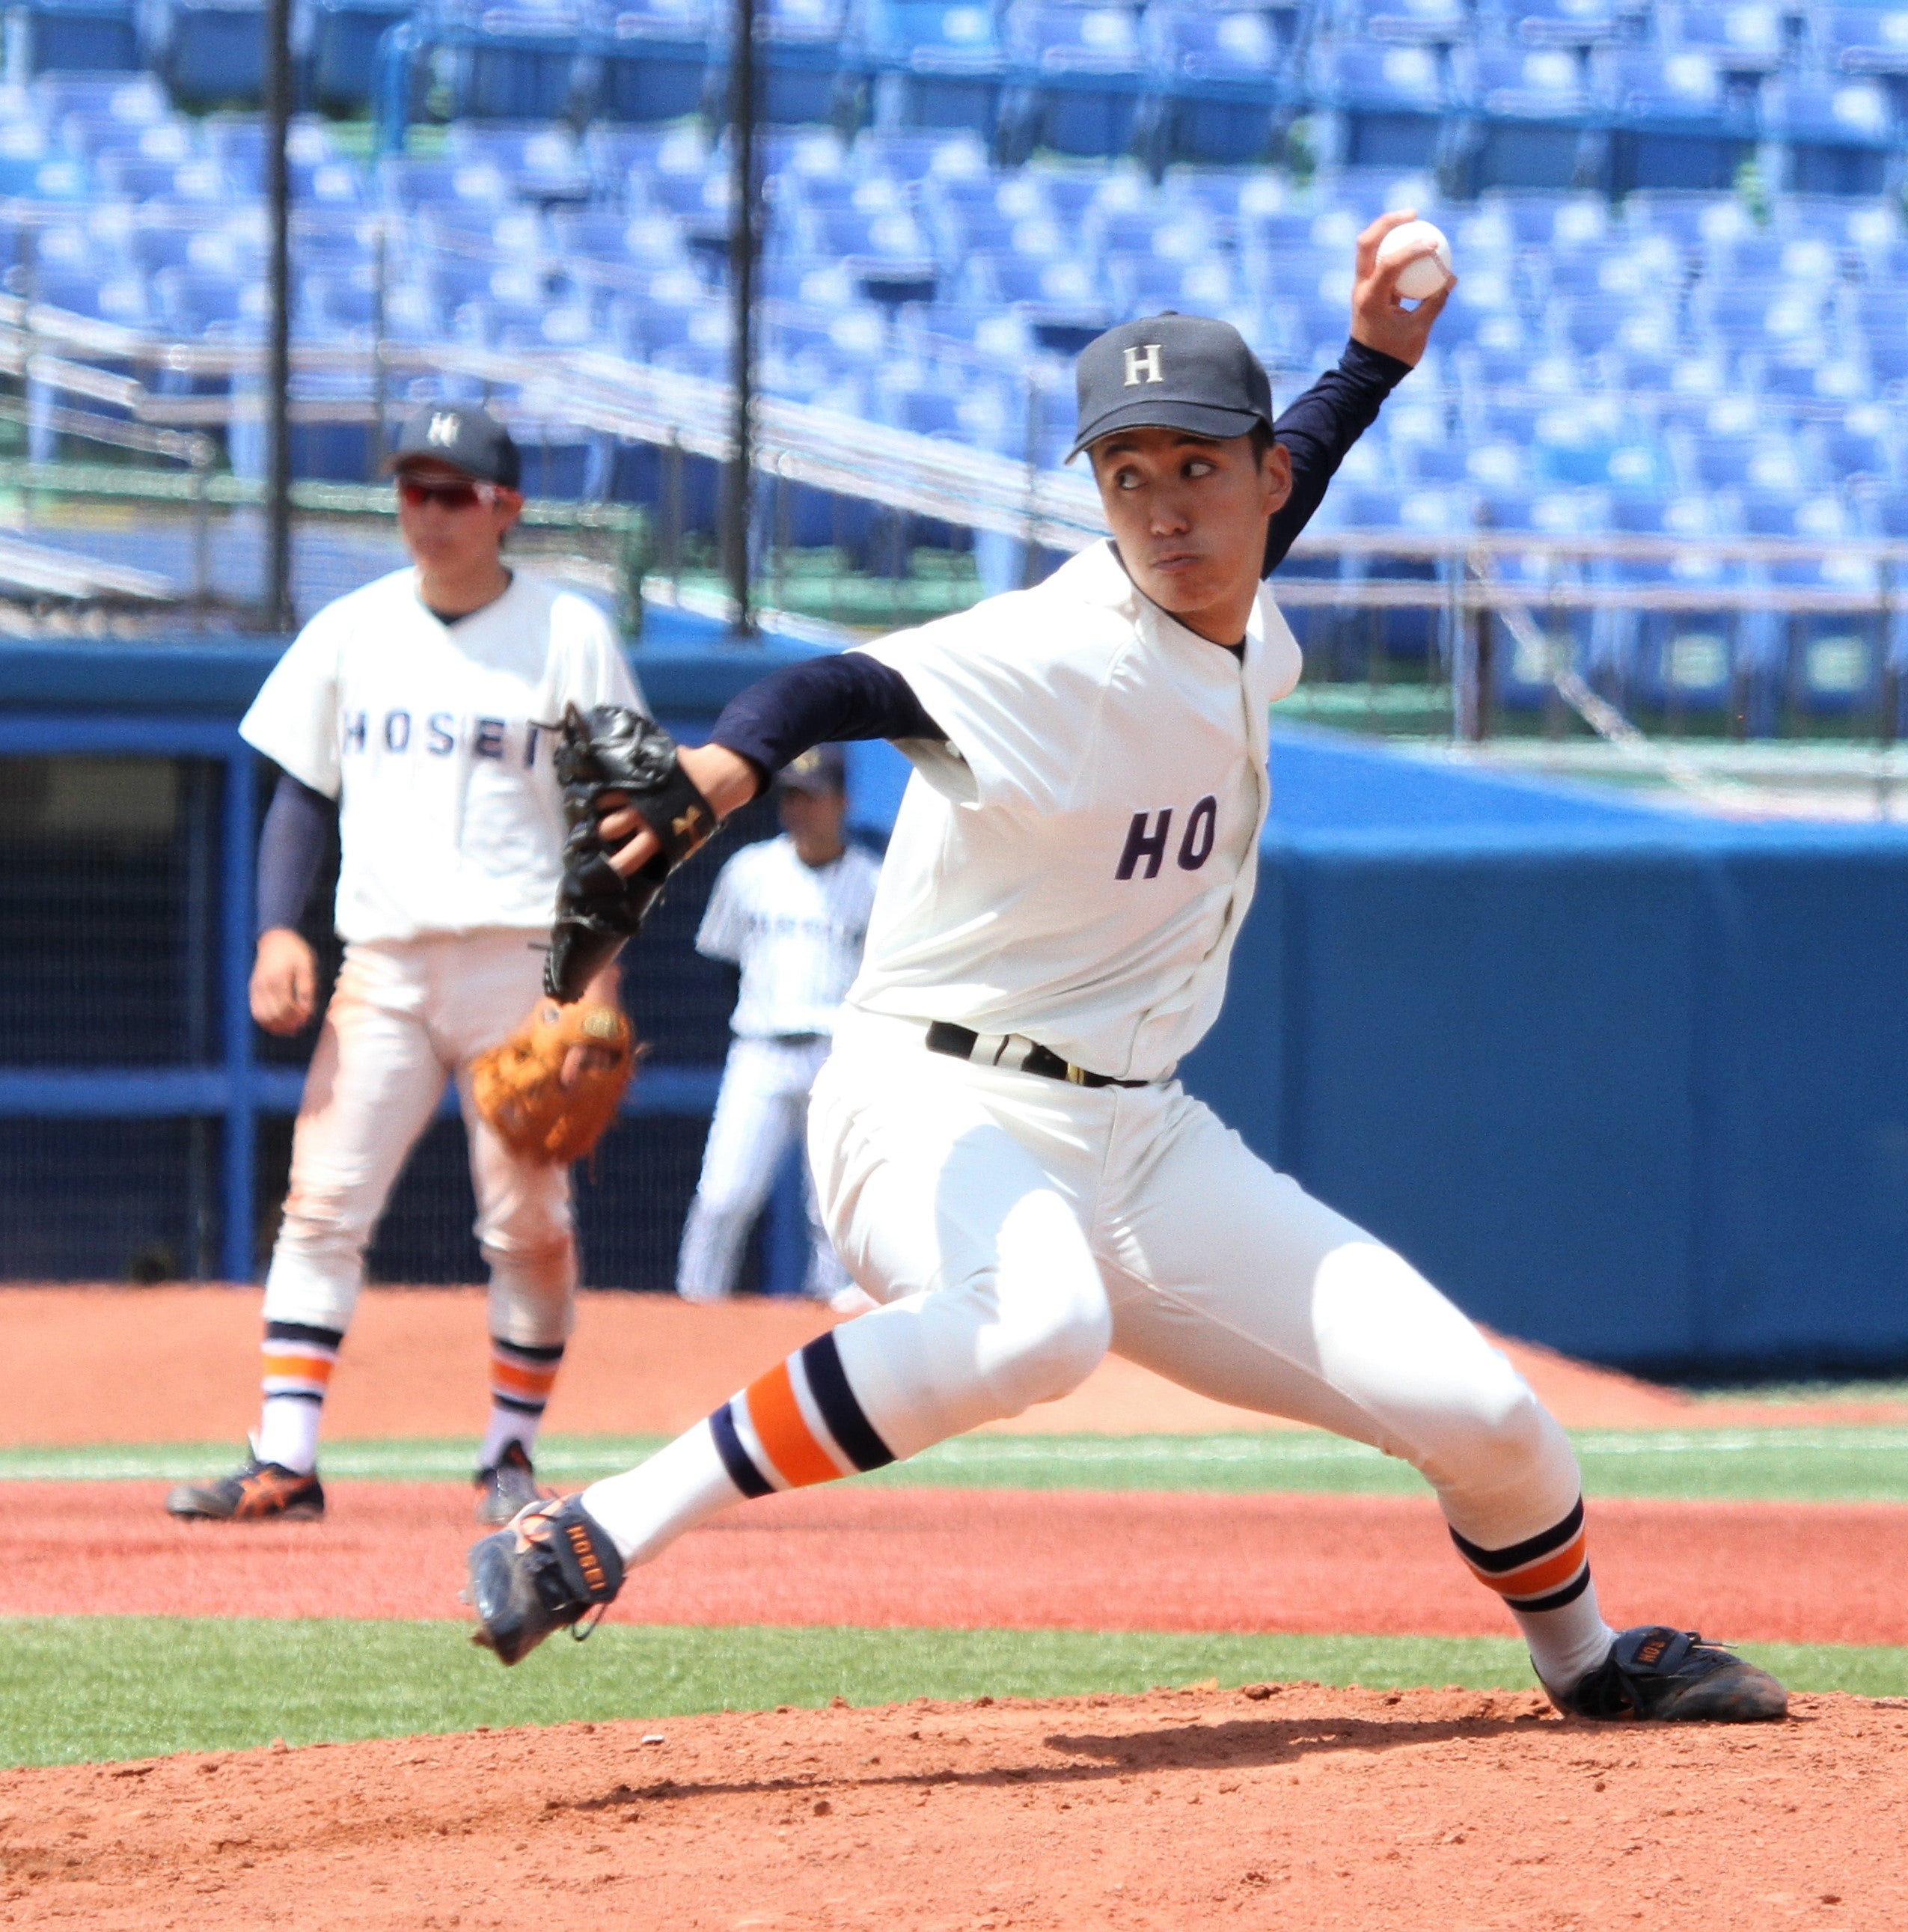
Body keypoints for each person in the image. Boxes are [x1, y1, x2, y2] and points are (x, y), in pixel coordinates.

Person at [465, 218, 1787, 1722]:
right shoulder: (1056, 651)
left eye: (1196, 466)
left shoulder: (1238, 597)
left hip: (1141, 1137)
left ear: (1262, 476)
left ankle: (1587, 1663)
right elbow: (843, 684)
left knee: (1490, 1417)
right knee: (1040, 1323)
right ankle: (592, 1528)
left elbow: (1283, 489)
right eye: (1125, 475)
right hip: (926, 1097)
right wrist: (725, 761)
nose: (1162, 509)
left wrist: (1373, 362)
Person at [166, 405, 644, 1529]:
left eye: (451, 492)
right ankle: (284, 1457)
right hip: (381, 960)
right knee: (322, 1204)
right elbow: (302, 795)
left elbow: (622, 818)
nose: (424, 511)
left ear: (505, 508)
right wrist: (281, 930)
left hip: (523, 966)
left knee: (526, 1222)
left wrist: (599, 977)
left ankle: (510, 1454)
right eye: (411, 490)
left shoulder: (569, 633)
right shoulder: (351, 627)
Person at [677, 742, 881, 1310]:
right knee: (723, 1195)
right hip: (760, 1048)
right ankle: (694, 1309)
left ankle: (827, 1318)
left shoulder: (875, 882)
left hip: (837, 1057)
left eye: (813, 797)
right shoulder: (748, 872)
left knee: (832, 1210)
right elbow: (723, 961)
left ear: (841, 802)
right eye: (791, 796)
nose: (800, 809)